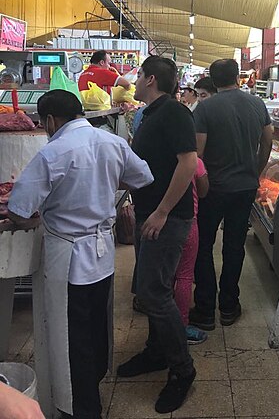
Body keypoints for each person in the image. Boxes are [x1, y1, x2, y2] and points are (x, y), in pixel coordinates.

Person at [7, 90, 153, 419]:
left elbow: (18, 208)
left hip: (68, 256)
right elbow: (142, 177)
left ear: (50, 121)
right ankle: (94, 385)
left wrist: (38, 216)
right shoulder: (111, 142)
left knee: (71, 334)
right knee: (97, 324)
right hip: (102, 252)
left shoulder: (53, 151)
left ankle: (83, 409)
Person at [117, 56, 198, 415]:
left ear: (151, 79)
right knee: (150, 291)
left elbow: (188, 163)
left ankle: (183, 370)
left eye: (137, 75)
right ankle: (156, 352)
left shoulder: (176, 113)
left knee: (155, 292)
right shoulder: (151, 114)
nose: (133, 81)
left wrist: (163, 211)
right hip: (152, 215)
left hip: (167, 219)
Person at [189, 59, 273, 331]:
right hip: (244, 187)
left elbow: (198, 154)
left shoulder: (205, 108)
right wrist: (256, 170)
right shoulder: (257, 104)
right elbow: (268, 140)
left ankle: (204, 309)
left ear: (213, 81)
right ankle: (228, 305)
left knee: (203, 247)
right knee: (234, 247)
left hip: (212, 188)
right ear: (237, 76)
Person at [174, 157, 209, 344]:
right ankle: (182, 326)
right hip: (187, 223)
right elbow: (203, 192)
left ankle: (162, 324)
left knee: (165, 275)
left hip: (159, 223)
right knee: (185, 276)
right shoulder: (194, 161)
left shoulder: (156, 156)